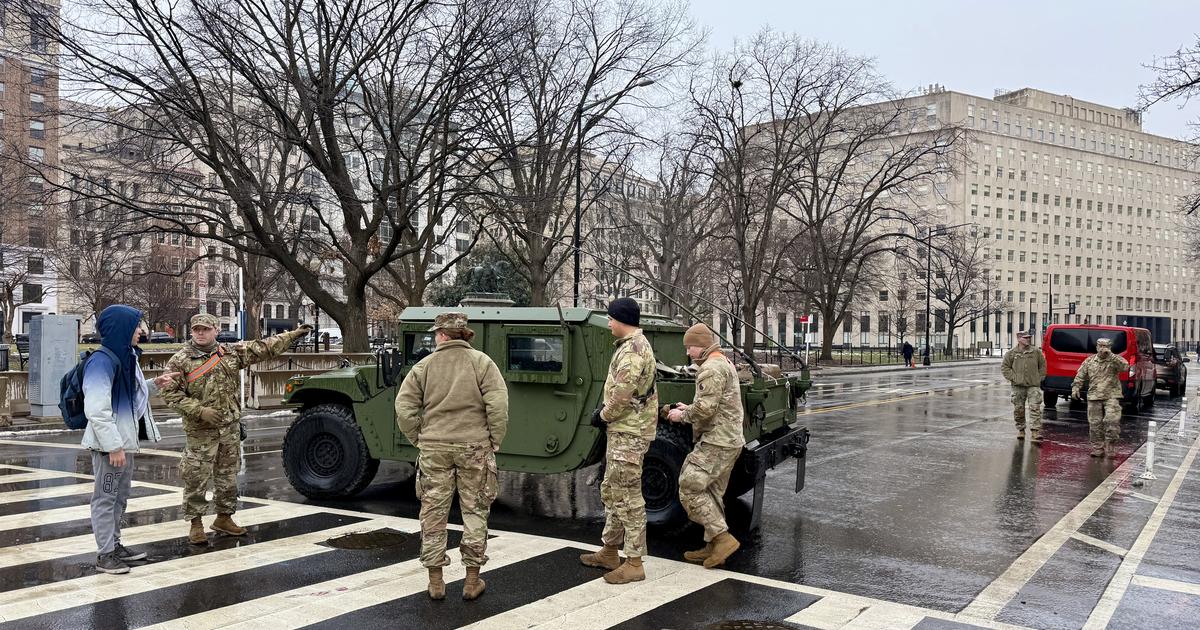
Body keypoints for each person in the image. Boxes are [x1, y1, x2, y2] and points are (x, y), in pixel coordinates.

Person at [161, 314, 311, 545]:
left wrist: (293, 335)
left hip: (228, 428)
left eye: (205, 329)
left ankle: (224, 517)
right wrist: (199, 411)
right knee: (196, 477)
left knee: (227, 476)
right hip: (201, 431)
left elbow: (263, 348)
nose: (200, 333)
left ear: (215, 330)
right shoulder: (180, 360)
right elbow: (169, 393)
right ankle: (196, 523)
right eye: (196, 329)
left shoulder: (230, 353)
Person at [394, 312, 508, 601]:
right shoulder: (482, 363)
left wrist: (419, 437)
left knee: (433, 513)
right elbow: (498, 403)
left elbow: (404, 406)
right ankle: (472, 580)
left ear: (442, 335)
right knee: (475, 510)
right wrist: (495, 438)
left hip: (434, 448)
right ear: (462, 334)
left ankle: (435, 581)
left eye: (436, 334)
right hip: (474, 447)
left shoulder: (425, 366)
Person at [82, 305, 179, 574]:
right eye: (137, 326)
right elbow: (97, 409)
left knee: (119, 497)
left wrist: (154, 384)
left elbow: (129, 398)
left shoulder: (126, 358)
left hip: (123, 443)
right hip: (109, 445)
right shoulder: (101, 362)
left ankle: (115, 545)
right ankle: (105, 555)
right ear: (122, 328)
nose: (141, 331)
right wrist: (113, 445)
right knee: (105, 498)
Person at [580, 297, 658, 585]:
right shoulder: (631, 346)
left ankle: (634, 562)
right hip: (625, 430)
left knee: (627, 495)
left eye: (611, 318)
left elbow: (623, 394)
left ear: (622, 319)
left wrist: (603, 415)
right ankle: (610, 551)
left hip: (628, 431)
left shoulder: (633, 351)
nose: (609, 322)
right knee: (612, 489)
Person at [665, 323, 743, 568]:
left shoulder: (709, 369)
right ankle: (712, 546)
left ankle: (722, 538)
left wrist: (682, 416)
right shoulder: (724, 362)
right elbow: (717, 404)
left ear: (702, 345)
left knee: (689, 485)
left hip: (716, 441)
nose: (688, 352)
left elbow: (706, 409)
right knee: (711, 492)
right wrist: (688, 408)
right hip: (729, 439)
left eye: (690, 346)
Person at [1072, 338, 1129, 458]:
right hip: (1094, 395)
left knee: (1112, 421)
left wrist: (1111, 356)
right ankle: (1098, 447)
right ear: (1097, 347)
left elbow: (1125, 367)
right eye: (1101, 346)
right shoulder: (1090, 361)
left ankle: (1111, 445)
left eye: (1106, 346)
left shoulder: (1114, 360)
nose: (1103, 348)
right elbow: (1080, 375)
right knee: (1095, 423)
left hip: (1111, 395)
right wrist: (1076, 388)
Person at [1001, 331, 1047, 443]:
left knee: (1035, 407)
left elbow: (1043, 365)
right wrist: (1014, 378)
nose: (1028, 339)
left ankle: (1035, 432)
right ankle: (1021, 430)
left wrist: (1039, 378)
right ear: (1019, 339)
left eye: (1029, 337)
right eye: (1025, 337)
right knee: (1019, 409)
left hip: (1033, 385)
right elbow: (1005, 368)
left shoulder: (1035, 351)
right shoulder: (1011, 353)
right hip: (1018, 386)